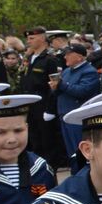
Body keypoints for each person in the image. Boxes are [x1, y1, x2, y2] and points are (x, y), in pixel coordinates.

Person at [20, 27, 63, 163]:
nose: (28, 41)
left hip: (43, 103)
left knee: (47, 139)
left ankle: (49, 168)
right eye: (28, 38)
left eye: (32, 38)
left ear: (42, 38)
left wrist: (50, 109)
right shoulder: (29, 58)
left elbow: (54, 86)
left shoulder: (50, 59)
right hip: (29, 104)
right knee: (33, 138)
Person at [55, 43, 101, 167]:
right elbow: (62, 90)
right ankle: (75, 173)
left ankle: (84, 173)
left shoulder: (89, 72)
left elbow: (82, 91)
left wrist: (61, 85)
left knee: (80, 149)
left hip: (78, 117)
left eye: (69, 54)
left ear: (80, 57)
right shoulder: (66, 71)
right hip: (65, 114)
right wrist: (55, 87)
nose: (65, 57)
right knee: (71, 152)